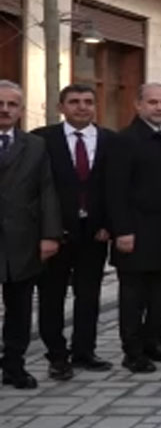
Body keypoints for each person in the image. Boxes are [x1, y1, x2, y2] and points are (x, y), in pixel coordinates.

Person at [32, 84, 117, 380]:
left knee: (89, 295)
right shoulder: (42, 140)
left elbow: (115, 187)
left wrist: (109, 224)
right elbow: (36, 188)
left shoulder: (110, 140)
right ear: (61, 107)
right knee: (51, 296)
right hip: (56, 233)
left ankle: (84, 351)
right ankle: (57, 355)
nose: (82, 107)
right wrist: (46, 231)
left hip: (94, 234)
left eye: (88, 102)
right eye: (74, 102)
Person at [110, 83, 161, 373]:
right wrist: (122, 230)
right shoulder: (125, 140)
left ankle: (155, 342)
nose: (160, 107)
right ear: (138, 105)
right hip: (135, 232)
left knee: (160, 294)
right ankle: (132, 351)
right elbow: (115, 190)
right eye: (153, 102)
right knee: (133, 297)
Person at [0, 80, 63, 389]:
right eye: (0, 104)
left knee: (19, 309)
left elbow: (47, 190)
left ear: (21, 111)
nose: (5, 109)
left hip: (22, 241)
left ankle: (14, 366)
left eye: (12, 104)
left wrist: (50, 235)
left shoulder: (35, 146)